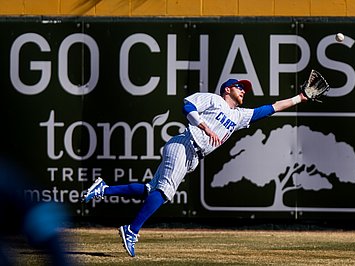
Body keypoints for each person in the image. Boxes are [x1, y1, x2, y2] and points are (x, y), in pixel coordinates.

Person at [81, 78, 308, 257]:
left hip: (193, 155)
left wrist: (300, 97)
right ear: (227, 89)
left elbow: (273, 107)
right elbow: (186, 105)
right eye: (239, 87)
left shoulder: (240, 116)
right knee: (164, 192)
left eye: (245, 89)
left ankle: (103, 189)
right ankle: (131, 230)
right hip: (185, 143)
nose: (243, 91)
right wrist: (203, 126)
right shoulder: (213, 99)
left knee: (152, 190)